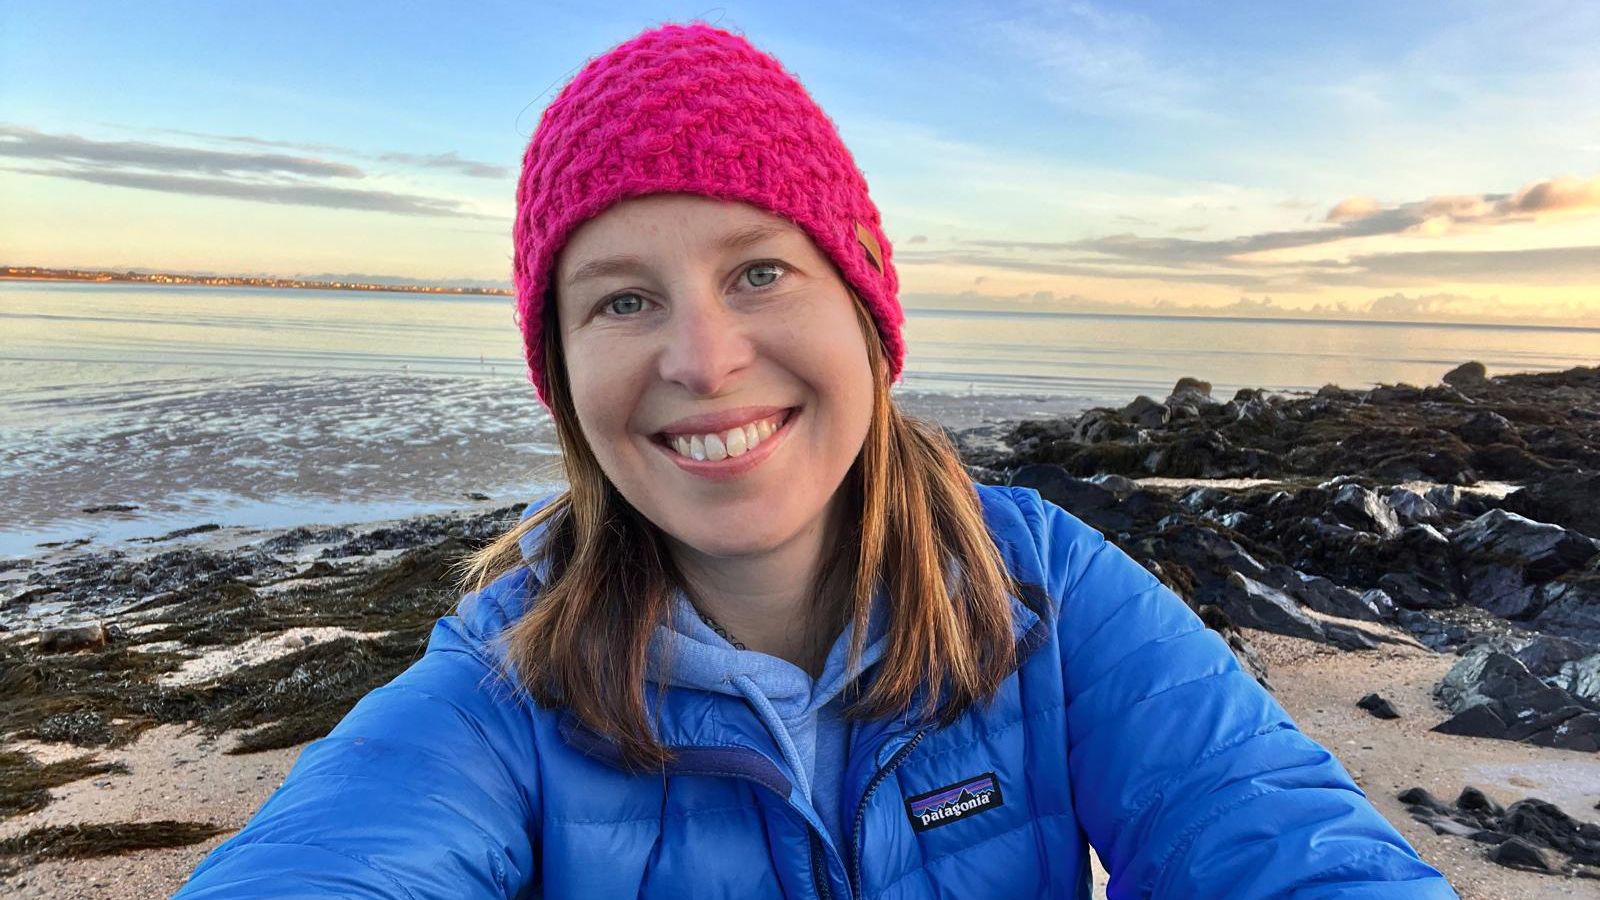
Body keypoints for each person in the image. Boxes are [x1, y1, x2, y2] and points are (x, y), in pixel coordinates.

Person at [176, 22, 1458, 898]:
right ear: (561, 371)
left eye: (759, 272)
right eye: (622, 300)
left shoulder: (1046, 594)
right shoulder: (503, 688)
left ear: (865, 311)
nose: (703, 359)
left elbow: (1275, 832)